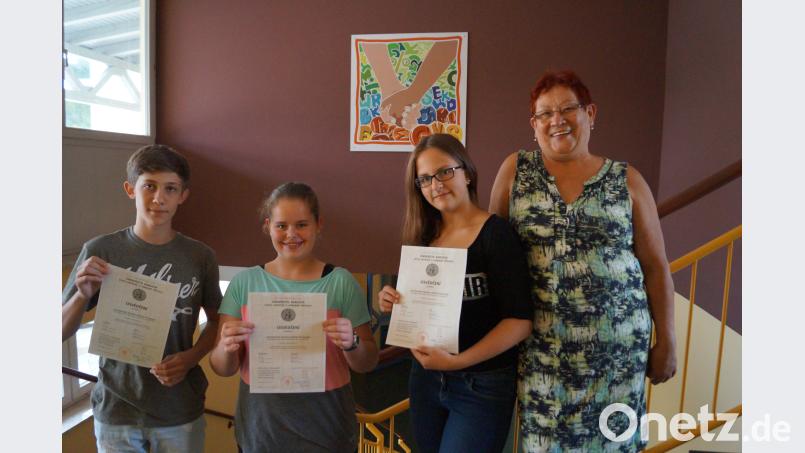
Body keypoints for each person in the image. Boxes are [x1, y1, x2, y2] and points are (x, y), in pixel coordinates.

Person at [489, 70, 677, 452]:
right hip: (543, 356)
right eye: (545, 114)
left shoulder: (628, 180)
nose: (556, 120)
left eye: (568, 109)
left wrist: (667, 341)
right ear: (534, 125)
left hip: (617, 361)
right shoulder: (516, 171)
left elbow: (655, 267)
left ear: (590, 113)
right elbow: (491, 254)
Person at [62, 144, 222, 452]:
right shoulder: (101, 250)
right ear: (130, 189)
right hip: (116, 410)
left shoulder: (200, 256)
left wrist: (191, 358)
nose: (159, 198)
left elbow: (217, 321)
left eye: (170, 188)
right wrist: (82, 297)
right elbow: (61, 330)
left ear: (183, 195)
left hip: (179, 410)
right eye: (149, 185)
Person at [378, 133, 533, 453]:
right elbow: (420, 308)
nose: (436, 184)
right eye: (424, 179)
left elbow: (519, 322)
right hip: (425, 380)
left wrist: (458, 362)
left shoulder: (497, 234)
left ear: (468, 172)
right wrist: (393, 300)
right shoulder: (423, 237)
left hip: (482, 385)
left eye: (444, 172)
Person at [210, 182, 378, 453]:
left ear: (318, 224)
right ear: (268, 226)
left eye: (302, 224)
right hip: (261, 430)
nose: (291, 234)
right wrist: (225, 347)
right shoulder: (244, 283)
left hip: (328, 430)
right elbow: (222, 367)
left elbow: (367, 362)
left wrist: (353, 342)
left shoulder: (340, 282)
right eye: (281, 226)